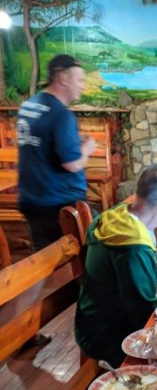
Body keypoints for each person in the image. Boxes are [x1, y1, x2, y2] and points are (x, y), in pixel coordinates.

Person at [75, 163, 157, 367]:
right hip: (109, 337)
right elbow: (144, 313)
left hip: (91, 323)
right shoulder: (132, 247)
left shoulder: (119, 215)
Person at [17, 54, 97, 251]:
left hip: (31, 201)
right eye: (79, 80)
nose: (83, 86)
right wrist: (86, 150)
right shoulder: (61, 115)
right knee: (91, 252)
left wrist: (73, 139)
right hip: (62, 206)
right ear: (63, 79)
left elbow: (42, 142)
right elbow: (72, 164)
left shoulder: (28, 106)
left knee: (46, 258)